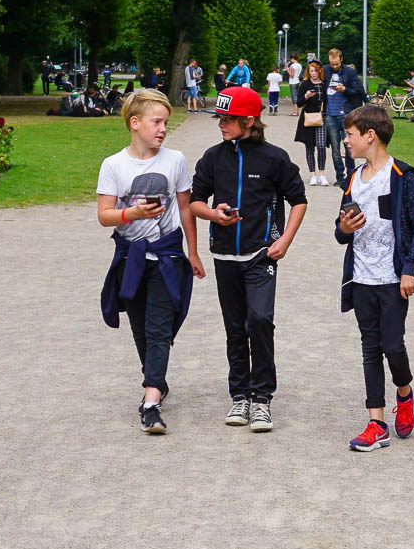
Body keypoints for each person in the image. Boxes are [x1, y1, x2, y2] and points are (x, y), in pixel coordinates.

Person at [189, 86, 307, 432]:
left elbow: (299, 200)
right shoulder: (213, 157)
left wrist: (284, 240)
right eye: (220, 118)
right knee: (235, 327)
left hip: (261, 254)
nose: (221, 124)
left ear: (250, 121)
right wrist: (213, 214)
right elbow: (195, 202)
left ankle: (262, 399)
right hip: (224, 254)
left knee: (260, 320)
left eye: (228, 119)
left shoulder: (274, 158)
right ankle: (240, 396)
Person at [98, 88, 204, 435]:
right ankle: (156, 379)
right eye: (156, 122)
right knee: (141, 329)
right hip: (130, 258)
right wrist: (132, 213)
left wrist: (192, 252)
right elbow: (104, 215)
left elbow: (185, 208)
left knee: (160, 327)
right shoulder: (114, 165)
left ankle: (151, 403)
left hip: (167, 255)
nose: (162, 129)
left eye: (166, 123)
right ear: (134, 123)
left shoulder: (175, 160)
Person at [334, 104, 414, 452]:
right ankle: (376, 423)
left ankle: (404, 393)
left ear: (370, 135)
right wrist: (344, 228)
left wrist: (410, 268)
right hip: (361, 279)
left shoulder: (403, 177)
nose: (346, 141)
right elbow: (340, 232)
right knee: (370, 348)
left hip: (392, 280)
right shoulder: (352, 180)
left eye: (350, 134)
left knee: (393, 346)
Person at [320, 47, 366, 186]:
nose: (334, 66)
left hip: (346, 113)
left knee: (349, 146)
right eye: (332, 64)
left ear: (341, 59)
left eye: (336, 64)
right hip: (330, 114)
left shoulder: (350, 72)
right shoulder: (325, 70)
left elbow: (356, 91)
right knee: (335, 148)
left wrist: (344, 89)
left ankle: (351, 175)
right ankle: (339, 176)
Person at [292, 59, 329, 186]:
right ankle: (312, 174)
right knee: (309, 147)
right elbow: (299, 102)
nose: (313, 73)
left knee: (321, 145)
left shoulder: (324, 84)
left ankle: (322, 174)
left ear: (320, 71)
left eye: (315, 71)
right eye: (311, 71)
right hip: (308, 118)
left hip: (321, 118)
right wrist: (306, 96)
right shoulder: (305, 84)